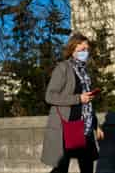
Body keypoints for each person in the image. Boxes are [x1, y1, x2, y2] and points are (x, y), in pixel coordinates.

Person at [41, 33, 104, 173]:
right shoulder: (63, 68)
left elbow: (87, 103)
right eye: (82, 49)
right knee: (61, 168)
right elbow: (49, 96)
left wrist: (96, 125)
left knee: (87, 168)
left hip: (85, 128)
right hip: (67, 126)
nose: (85, 52)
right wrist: (77, 99)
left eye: (87, 50)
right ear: (72, 49)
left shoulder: (85, 72)